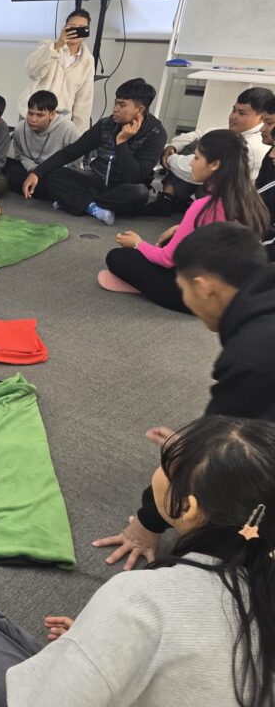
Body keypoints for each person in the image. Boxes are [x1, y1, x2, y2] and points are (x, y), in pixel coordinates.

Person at [0, 415, 275, 707]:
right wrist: (101, 643)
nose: (158, 470)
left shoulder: (142, 597)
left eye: (166, 467)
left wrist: (96, 645)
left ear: (187, 508)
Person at [93, 222, 275, 571]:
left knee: (215, 527)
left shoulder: (254, 355)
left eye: (183, 288)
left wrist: (147, 522)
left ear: (204, 288)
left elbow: (218, 445)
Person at [102, 130, 270, 312]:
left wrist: (137, 244)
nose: (191, 162)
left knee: (118, 257)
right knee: (171, 241)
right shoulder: (252, 201)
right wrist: (180, 227)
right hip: (236, 292)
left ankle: (146, 285)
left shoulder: (204, 206)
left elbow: (167, 259)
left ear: (214, 164)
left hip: (197, 298)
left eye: (197, 158)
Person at [22, 78, 167, 224]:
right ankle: (92, 207)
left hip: (123, 188)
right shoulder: (106, 124)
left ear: (140, 109)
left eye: (122, 105)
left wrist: (122, 142)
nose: (115, 109)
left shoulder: (156, 134)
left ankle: (75, 201)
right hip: (96, 178)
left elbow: (135, 177)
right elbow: (72, 151)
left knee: (140, 194)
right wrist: (37, 173)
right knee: (53, 175)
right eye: (116, 103)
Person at [157, 87, 274, 212]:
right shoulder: (239, 131)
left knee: (202, 150)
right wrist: (173, 146)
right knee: (201, 141)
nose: (233, 116)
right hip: (224, 194)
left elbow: (195, 169)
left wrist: (168, 158)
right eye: (233, 110)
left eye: (241, 113)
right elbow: (198, 134)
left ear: (261, 118)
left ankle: (168, 198)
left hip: (229, 203)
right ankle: (168, 197)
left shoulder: (250, 145)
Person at [18, 9, 95, 133]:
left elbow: (84, 99)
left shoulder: (87, 60)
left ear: (87, 31)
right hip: (34, 113)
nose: (76, 30)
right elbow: (33, 71)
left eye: (81, 27)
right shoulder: (47, 47)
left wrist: (79, 135)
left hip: (60, 121)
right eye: (72, 26)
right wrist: (57, 45)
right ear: (64, 28)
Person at [3, 90, 79, 195]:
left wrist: (41, 172)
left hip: (54, 172)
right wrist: (33, 169)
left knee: (60, 180)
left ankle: (35, 190)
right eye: (30, 113)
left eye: (40, 115)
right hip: (30, 169)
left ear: (52, 114)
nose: (33, 119)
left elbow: (74, 162)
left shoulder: (68, 128)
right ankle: (40, 191)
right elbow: (19, 155)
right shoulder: (20, 128)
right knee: (9, 168)